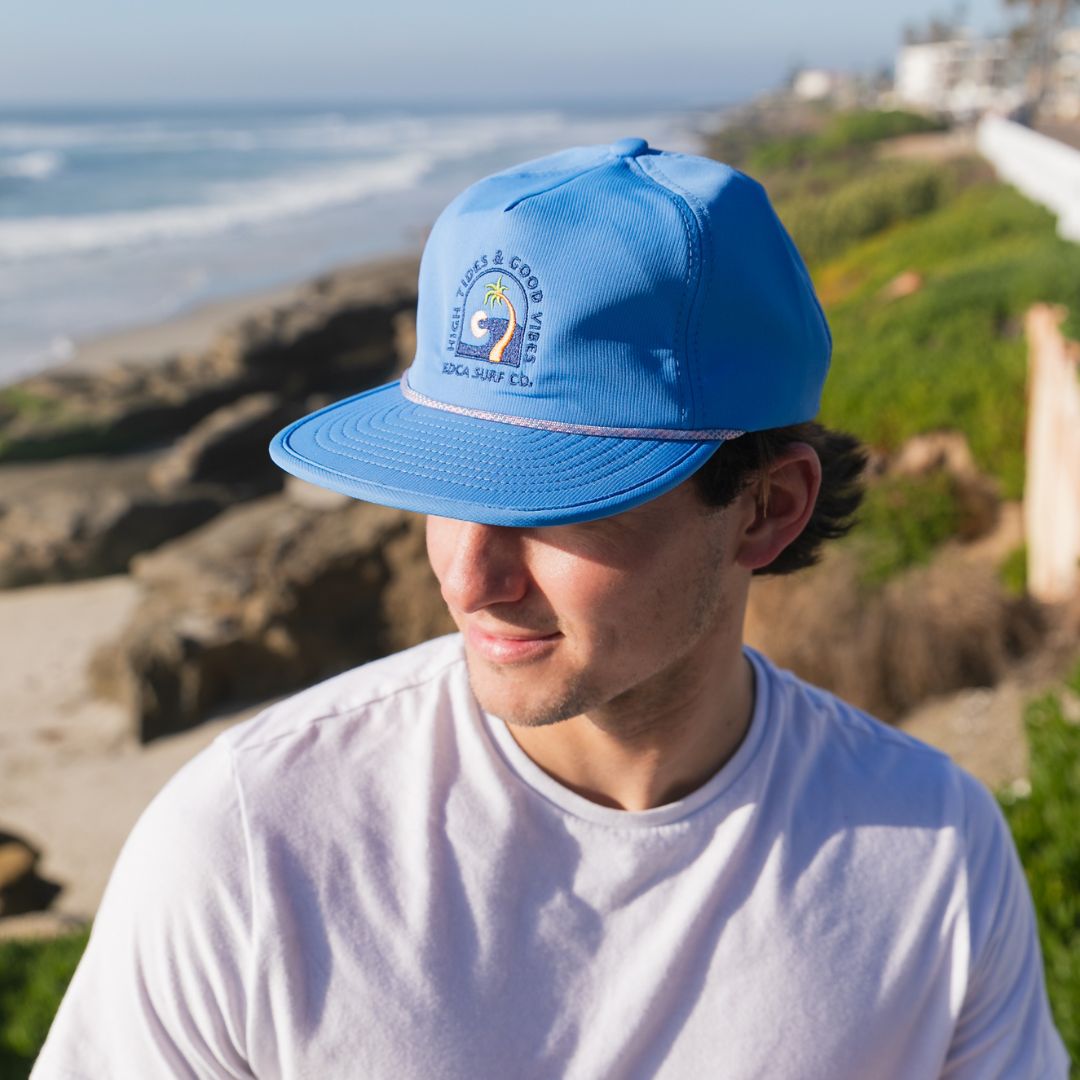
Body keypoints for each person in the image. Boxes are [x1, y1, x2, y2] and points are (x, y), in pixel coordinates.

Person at [34, 138, 1069, 1079]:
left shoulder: (932, 857)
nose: (467, 576)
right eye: (444, 487)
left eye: (550, 503)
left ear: (767, 509)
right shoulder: (255, 845)